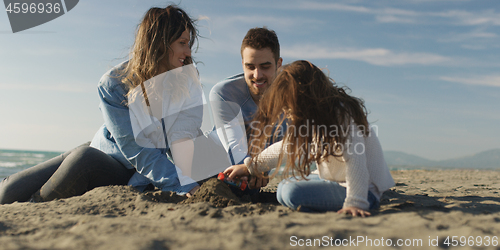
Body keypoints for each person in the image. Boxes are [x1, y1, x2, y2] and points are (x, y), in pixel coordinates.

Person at [0, 5, 201, 204]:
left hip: (119, 166)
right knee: (8, 191)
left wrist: (194, 179)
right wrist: (181, 183)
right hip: (104, 149)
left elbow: (178, 140)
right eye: (182, 43)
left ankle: (36, 204)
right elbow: (135, 147)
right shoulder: (114, 83)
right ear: (159, 43)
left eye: (188, 43)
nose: (188, 51)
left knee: (84, 159)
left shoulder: (183, 83)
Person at [224, 60, 395, 216]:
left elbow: (355, 161)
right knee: (285, 186)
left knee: (289, 192)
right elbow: (285, 147)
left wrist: (356, 203)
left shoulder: (341, 115)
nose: (286, 111)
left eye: (289, 104)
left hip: (364, 191)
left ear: (305, 99)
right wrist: (250, 167)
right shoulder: (316, 118)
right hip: (339, 181)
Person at [209, 27, 283, 189]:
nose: (257, 75)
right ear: (242, 64)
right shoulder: (224, 93)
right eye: (250, 67)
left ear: (278, 64)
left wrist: (258, 166)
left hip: (255, 170)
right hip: (219, 170)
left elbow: (297, 144)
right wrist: (253, 167)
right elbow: (234, 144)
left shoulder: (292, 92)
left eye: (265, 66)